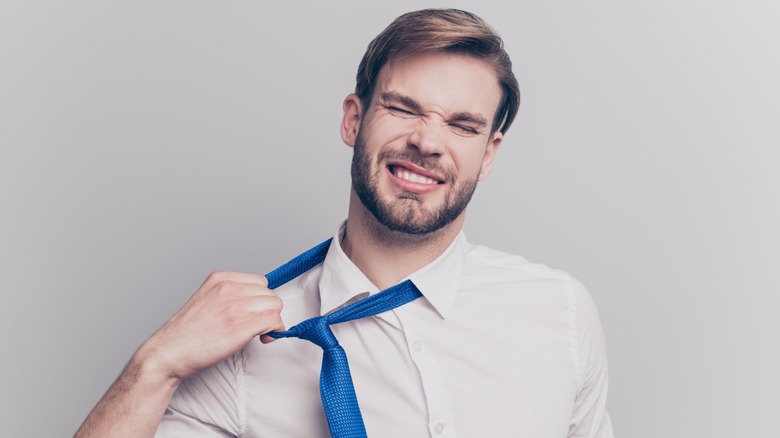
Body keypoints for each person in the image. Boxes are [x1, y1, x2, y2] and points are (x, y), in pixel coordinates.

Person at [76, 8, 613, 438]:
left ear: (489, 154)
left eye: (462, 125)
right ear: (353, 119)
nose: (427, 141)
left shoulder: (560, 313)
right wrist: (154, 365)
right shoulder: (245, 347)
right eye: (404, 109)